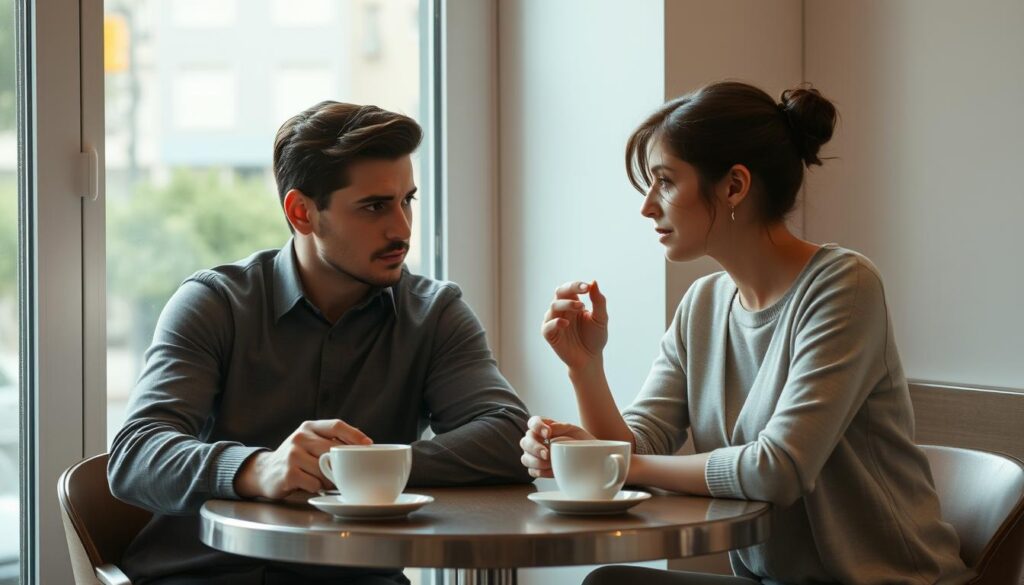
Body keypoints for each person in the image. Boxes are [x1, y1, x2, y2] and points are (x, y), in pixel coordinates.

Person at [519, 81, 971, 585]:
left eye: (665, 181)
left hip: (890, 583)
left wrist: (622, 467)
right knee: (611, 582)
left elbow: (776, 470)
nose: (647, 206)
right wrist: (585, 367)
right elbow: (636, 447)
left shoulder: (845, 285)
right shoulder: (703, 305)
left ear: (734, 186)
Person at [109, 102, 532, 584]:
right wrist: (257, 469)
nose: (402, 228)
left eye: (407, 200)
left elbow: (508, 435)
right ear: (302, 211)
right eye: (375, 206)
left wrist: (364, 469)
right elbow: (136, 456)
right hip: (202, 576)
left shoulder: (433, 313)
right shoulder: (215, 303)